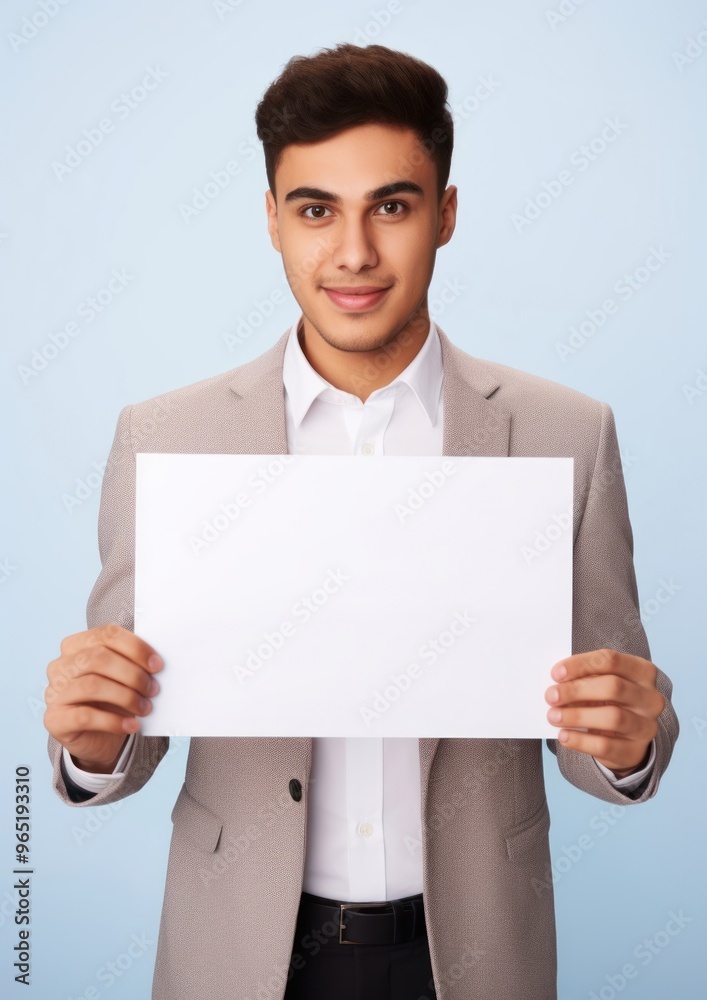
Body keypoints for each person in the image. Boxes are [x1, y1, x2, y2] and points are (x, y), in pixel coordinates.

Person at [44, 43, 678, 1000]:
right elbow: (129, 741)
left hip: (471, 953)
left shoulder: (566, 434)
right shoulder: (165, 438)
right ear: (270, 220)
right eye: (314, 210)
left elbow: (603, 742)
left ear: (445, 214)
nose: (352, 254)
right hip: (243, 953)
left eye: (391, 205)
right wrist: (93, 748)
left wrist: (630, 744)